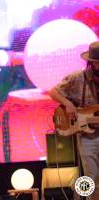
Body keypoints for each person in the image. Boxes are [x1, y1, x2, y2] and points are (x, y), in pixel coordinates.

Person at [49, 41, 99, 199]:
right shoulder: (78, 77)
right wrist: (68, 104)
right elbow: (53, 92)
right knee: (92, 175)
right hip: (86, 135)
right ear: (92, 62)